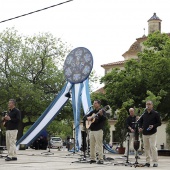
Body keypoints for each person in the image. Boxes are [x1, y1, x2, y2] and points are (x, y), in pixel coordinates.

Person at [138, 100, 161, 167]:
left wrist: (153, 126)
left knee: (153, 147)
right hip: (145, 133)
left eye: (149, 104)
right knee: (146, 147)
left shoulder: (155, 113)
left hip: (152, 133)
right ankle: (147, 162)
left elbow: (159, 123)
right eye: (147, 104)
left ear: (152, 105)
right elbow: (140, 121)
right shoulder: (144, 114)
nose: (148, 105)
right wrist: (140, 127)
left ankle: (155, 162)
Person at [84, 100, 106, 164]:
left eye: (95, 103)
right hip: (92, 130)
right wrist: (88, 118)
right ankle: (92, 158)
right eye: (93, 103)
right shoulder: (93, 112)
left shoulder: (102, 111)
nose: (94, 104)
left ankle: (100, 159)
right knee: (92, 145)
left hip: (98, 130)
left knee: (99, 145)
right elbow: (85, 117)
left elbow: (104, 119)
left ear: (99, 104)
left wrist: (101, 115)